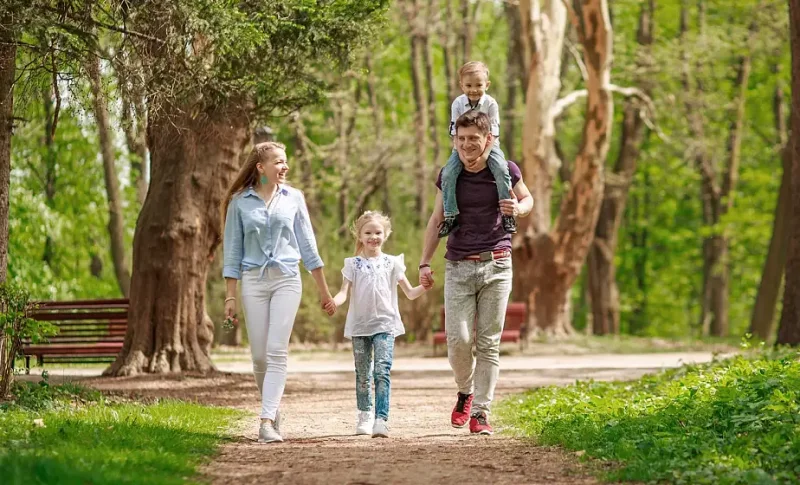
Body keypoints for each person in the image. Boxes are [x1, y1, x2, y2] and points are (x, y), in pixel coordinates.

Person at [419, 111, 533, 435]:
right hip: (458, 265)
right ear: (455, 140)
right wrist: (424, 262)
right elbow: (436, 219)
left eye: (474, 139)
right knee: (458, 341)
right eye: (462, 139)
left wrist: (519, 209)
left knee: (488, 343)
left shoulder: (506, 170)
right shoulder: (449, 175)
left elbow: (527, 198)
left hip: (497, 263)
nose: (468, 145)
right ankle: (465, 391)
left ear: (488, 140)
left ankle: (481, 412)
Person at [222, 141, 336, 444]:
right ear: (261, 167)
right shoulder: (239, 202)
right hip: (254, 282)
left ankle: (266, 419)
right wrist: (230, 296)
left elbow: (308, 247)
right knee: (259, 356)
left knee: (276, 351)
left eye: (285, 161)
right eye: (278, 162)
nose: (284, 167)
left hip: (287, 279)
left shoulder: (294, 198)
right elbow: (232, 252)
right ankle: (272, 406)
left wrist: (324, 292)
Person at [330, 211, 429, 438]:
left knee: (382, 371)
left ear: (386, 235)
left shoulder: (392, 263)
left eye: (378, 233)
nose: (373, 237)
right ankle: (364, 415)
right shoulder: (352, 264)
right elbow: (343, 293)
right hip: (360, 326)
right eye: (368, 233)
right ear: (359, 235)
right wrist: (333, 302)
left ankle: (381, 419)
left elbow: (411, 293)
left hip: (385, 324)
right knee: (362, 372)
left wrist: (425, 285)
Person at [438, 61, 516, 238]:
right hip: (461, 146)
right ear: (461, 85)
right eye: (468, 85)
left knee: (502, 170)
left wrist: (485, 155)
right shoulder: (458, 103)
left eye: (478, 85)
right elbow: (454, 131)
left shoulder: (491, 104)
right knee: (448, 173)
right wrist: (462, 155)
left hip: (489, 146)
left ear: (487, 85)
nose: (473, 89)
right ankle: (450, 215)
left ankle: (507, 214)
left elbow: (494, 131)